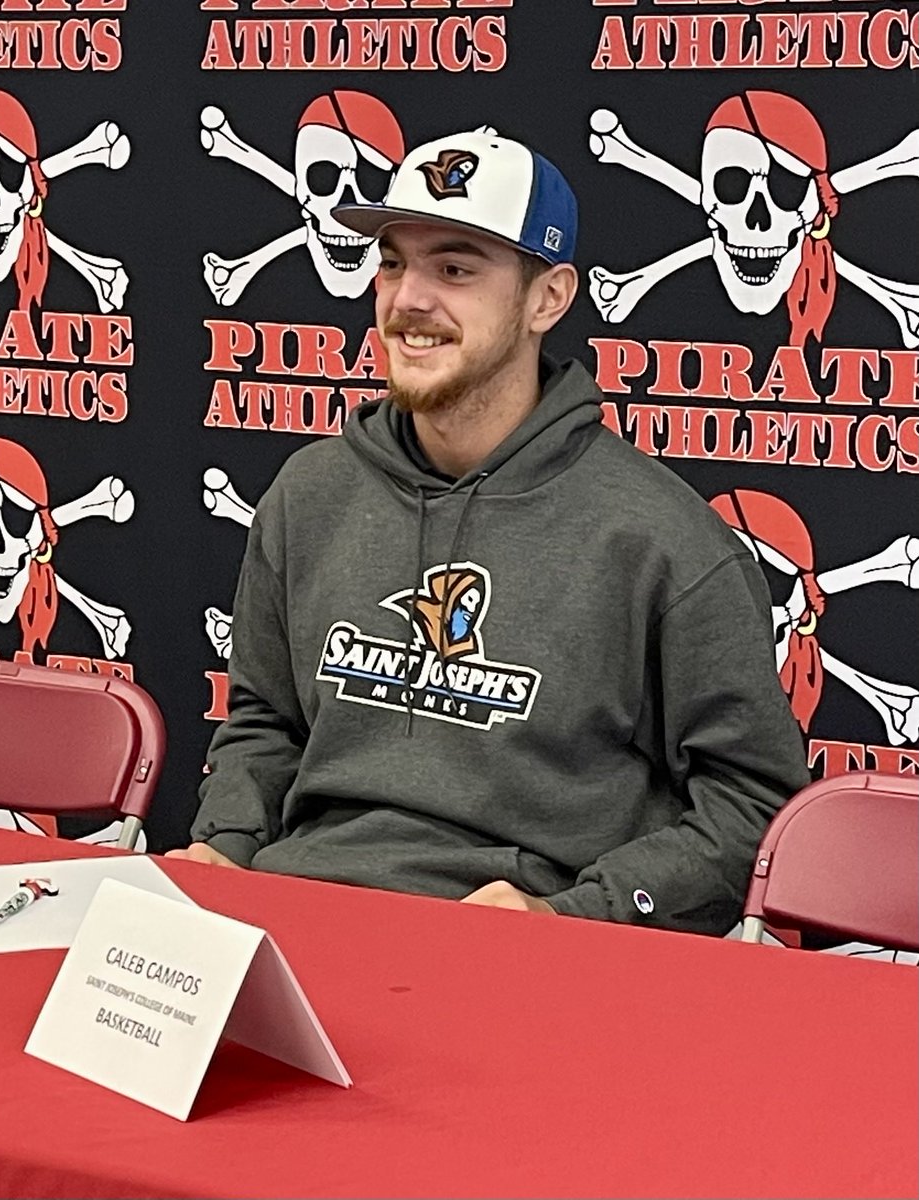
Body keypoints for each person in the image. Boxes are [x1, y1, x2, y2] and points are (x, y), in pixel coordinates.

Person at [169, 130, 810, 935]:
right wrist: (225, 842)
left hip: (520, 945)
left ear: (547, 298)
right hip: (299, 908)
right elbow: (264, 718)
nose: (407, 300)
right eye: (394, 262)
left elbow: (752, 804)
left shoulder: (660, 540)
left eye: (455, 269)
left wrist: (571, 912)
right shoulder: (310, 493)